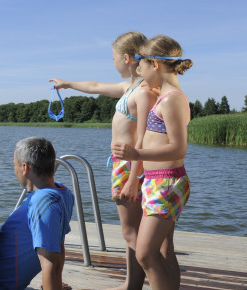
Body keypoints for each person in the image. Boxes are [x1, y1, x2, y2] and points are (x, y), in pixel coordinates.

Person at [49, 31, 156, 290]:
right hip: (123, 165)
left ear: (127, 58)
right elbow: (95, 86)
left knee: (132, 233)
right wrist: (68, 83)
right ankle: (132, 284)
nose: (113, 63)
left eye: (114, 58)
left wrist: (133, 178)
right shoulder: (128, 87)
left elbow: (142, 140)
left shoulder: (142, 91)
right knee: (132, 231)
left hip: (132, 167)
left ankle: (158, 281)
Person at [111, 34, 193, 290]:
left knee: (145, 253)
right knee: (157, 251)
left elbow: (179, 148)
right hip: (156, 182)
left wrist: (137, 155)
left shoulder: (172, 100)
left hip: (167, 183)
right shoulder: (163, 96)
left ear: (154, 64)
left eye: (141, 65)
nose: (138, 70)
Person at [0, 137, 74, 290]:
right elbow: (59, 247)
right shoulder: (63, 193)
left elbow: (51, 262)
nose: (14, 171)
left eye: (14, 165)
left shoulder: (43, 202)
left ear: (25, 167)